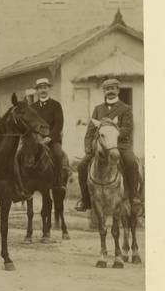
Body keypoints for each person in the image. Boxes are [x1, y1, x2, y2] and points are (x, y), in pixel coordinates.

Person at [76, 78, 141, 213]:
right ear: (104, 91)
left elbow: (127, 128)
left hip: (120, 145)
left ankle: (134, 197)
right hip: (100, 146)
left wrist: (112, 132)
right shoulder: (98, 109)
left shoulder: (125, 108)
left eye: (113, 88)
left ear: (118, 90)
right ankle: (85, 200)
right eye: (107, 89)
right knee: (82, 166)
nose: (110, 91)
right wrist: (88, 147)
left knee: (131, 162)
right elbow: (90, 131)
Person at [31, 77, 67, 193]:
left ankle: (58, 181)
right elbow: (30, 124)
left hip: (52, 139)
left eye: (45, 87)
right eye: (40, 88)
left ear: (48, 89)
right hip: (36, 139)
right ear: (37, 91)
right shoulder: (32, 107)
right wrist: (37, 137)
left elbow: (59, 124)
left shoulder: (56, 105)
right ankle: (23, 185)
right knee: (21, 155)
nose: (43, 90)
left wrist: (49, 137)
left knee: (58, 154)